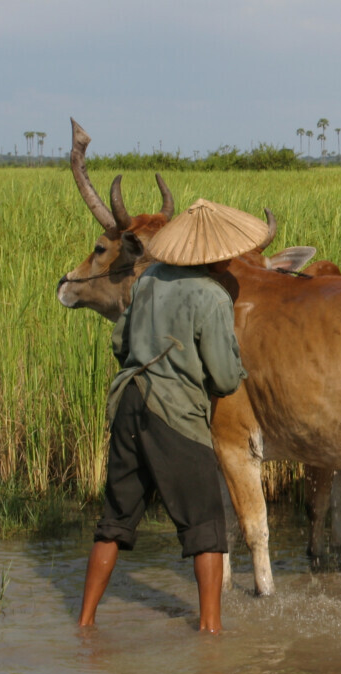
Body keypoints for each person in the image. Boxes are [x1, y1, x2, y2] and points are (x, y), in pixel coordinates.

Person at [78, 199, 267, 633]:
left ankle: (85, 624)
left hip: (128, 405)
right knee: (206, 528)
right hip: (175, 414)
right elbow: (222, 376)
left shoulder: (147, 280)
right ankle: (211, 633)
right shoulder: (211, 296)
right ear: (211, 254)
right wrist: (235, 370)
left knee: (114, 521)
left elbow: (120, 344)